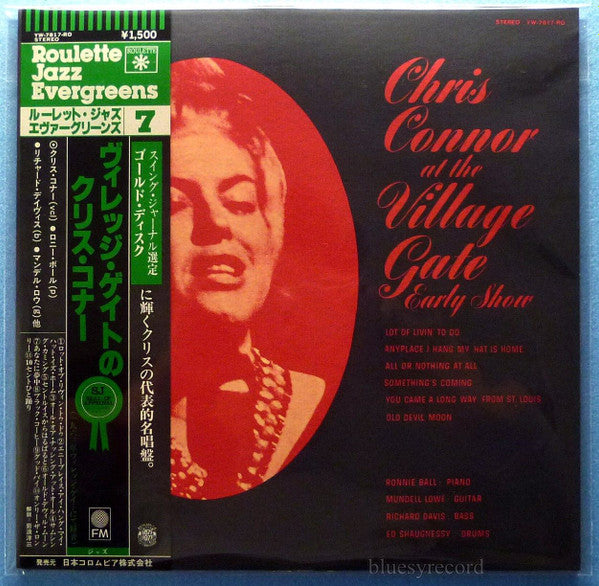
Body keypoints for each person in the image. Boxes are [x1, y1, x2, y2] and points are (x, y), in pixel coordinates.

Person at [170, 58, 325, 500]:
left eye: (240, 201)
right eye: (176, 204)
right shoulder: (94, 412)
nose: (217, 222)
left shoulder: (309, 404)